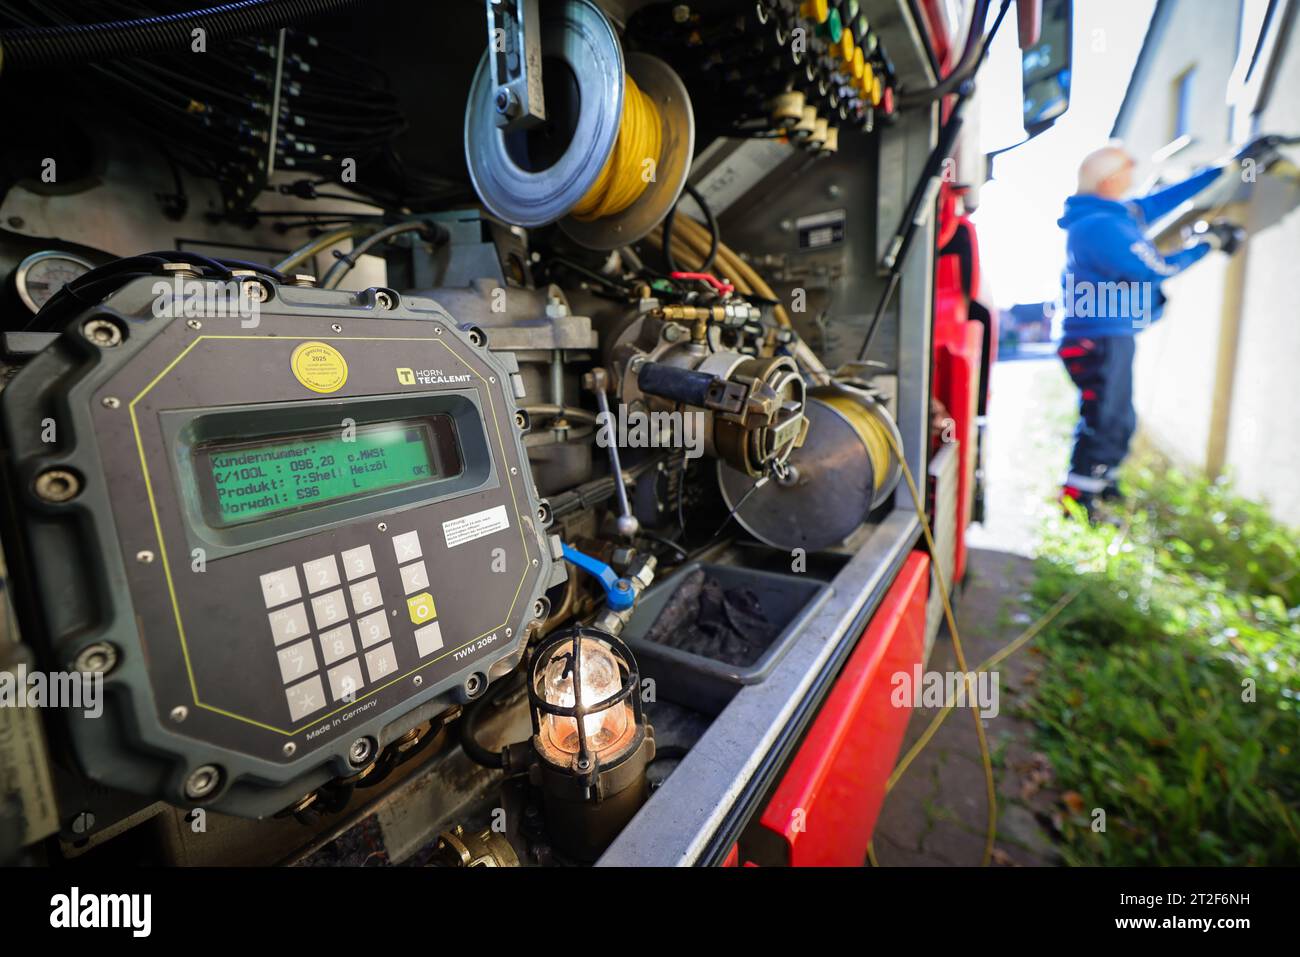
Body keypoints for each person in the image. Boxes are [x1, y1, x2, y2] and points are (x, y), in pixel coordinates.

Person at [1054, 143, 1253, 515]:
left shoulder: (1111, 215)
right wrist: (1207, 243)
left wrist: (1227, 168)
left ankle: (1101, 484)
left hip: (1103, 337)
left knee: (1116, 419)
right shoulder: (1101, 226)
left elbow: (1162, 202)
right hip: (1099, 340)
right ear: (1111, 178)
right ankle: (1079, 502)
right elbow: (1152, 267)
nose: (1134, 175)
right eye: (1129, 168)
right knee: (1107, 421)